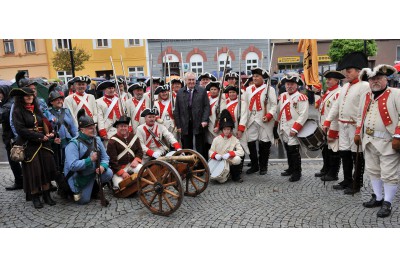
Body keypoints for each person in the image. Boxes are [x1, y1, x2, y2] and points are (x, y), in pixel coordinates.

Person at [355, 64, 400, 218]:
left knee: (388, 174)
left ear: (385, 78)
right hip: (368, 140)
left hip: (388, 142)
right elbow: (360, 116)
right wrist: (357, 133)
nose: (375, 81)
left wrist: (398, 136)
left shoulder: (395, 93)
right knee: (373, 171)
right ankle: (378, 198)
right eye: (372, 79)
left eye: (379, 78)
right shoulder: (366, 95)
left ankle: (387, 203)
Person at [323, 52, 370, 194]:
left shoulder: (364, 86)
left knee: (357, 155)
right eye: (346, 71)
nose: (346, 74)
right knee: (344, 153)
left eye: (349, 72)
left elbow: (364, 109)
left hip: (354, 125)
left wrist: (359, 128)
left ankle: (357, 183)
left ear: (358, 71)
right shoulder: (345, 86)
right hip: (342, 125)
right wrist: (328, 120)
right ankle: (347, 179)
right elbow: (336, 105)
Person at [11, 87, 58, 208]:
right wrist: (39, 136)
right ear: (21, 97)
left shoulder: (37, 109)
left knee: (46, 169)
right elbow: (20, 130)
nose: (29, 97)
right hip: (29, 145)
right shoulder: (17, 111)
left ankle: (47, 195)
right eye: (26, 95)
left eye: (31, 95)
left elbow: (45, 122)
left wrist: (51, 132)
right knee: (34, 172)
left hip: (43, 144)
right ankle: (35, 196)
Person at [64, 109, 113, 205]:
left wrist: (103, 166)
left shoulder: (97, 140)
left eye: (94, 127)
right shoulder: (73, 144)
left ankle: (94, 189)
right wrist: (90, 160)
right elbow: (72, 166)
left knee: (108, 173)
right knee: (83, 201)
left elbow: (105, 157)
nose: (94, 130)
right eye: (90, 128)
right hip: (79, 177)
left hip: (92, 173)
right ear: (82, 130)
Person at [45, 84, 78, 197]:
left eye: (60, 99)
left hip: (69, 142)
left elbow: (73, 126)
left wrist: (77, 138)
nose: (59, 101)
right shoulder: (47, 112)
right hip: (56, 144)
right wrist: (52, 139)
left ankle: (71, 186)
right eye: (56, 100)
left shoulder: (67, 111)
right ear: (51, 102)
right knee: (59, 166)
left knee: (69, 164)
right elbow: (46, 128)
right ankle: (62, 188)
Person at [245, 67, 277, 175]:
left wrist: (269, 115)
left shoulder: (269, 89)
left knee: (264, 143)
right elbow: (245, 104)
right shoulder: (248, 89)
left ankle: (263, 166)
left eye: (257, 76)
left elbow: (274, 105)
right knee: (250, 141)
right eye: (253, 76)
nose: (254, 78)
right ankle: (254, 165)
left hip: (264, 119)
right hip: (251, 118)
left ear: (262, 77)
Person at [277, 73, 309, 182]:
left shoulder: (301, 97)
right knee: (288, 150)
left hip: (293, 129)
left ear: (296, 85)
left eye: (291, 84)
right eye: (287, 84)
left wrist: (295, 128)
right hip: (283, 127)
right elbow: (278, 111)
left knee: (294, 151)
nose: (289, 86)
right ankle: (290, 169)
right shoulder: (282, 96)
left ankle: (297, 172)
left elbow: (303, 115)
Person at [173, 71, 210, 160]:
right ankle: (188, 165)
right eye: (189, 80)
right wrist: (178, 125)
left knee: (200, 145)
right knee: (186, 145)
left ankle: (201, 165)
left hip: (199, 122)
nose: (191, 82)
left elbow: (206, 106)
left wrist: (204, 120)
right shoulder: (180, 92)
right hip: (185, 123)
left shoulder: (202, 90)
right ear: (185, 81)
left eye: (193, 80)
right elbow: (177, 110)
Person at [315, 71, 344, 182]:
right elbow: (321, 108)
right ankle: (325, 169)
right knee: (325, 150)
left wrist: (333, 131)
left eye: (330, 79)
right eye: (327, 79)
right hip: (325, 126)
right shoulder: (329, 92)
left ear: (337, 81)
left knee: (334, 151)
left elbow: (336, 114)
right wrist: (317, 94)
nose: (327, 81)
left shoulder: (338, 93)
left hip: (333, 127)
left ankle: (333, 173)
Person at [106, 116, 143, 190]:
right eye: (121, 126)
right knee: (119, 186)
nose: (123, 128)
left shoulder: (134, 137)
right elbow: (112, 161)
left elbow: (140, 151)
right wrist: (122, 173)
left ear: (128, 127)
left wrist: (136, 160)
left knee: (142, 170)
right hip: (119, 168)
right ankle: (113, 181)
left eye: (125, 126)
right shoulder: (112, 141)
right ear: (117, 127)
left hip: (132, 165)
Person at [209, 109, 244, 183]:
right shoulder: (216, 139)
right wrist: (215, 155)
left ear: (231, 129)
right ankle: (227, 175)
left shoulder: (235, 139)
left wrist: (230, 154)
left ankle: (236, 176)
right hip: (219, 160)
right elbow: (210, 151)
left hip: (229, 160)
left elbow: (241, 152)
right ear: (222, 130)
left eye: (228, 129)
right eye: (224, 129)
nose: (226, 131)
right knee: (222, 181)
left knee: (237, 159)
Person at [0, 85, 23, 190]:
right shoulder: (9, 103)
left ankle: (20, 181)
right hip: (11, 136)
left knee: (13, 160)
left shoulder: (7, 106)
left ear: (5, 93)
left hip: (10, 137)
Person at [223, 85, 249, 174]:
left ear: (237, 93)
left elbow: (244, 117)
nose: (232, 94)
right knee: (230, 149)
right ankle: (231, 168)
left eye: (233, 92)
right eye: (230, 92)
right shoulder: (225, 103)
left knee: (240, 148)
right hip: (228, 130)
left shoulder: (242, 103)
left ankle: (239, 169)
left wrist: (240, 129)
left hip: (238, 129)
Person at [205, 81, 224, 157]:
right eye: (211, 89)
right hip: (208, 125)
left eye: (215, 89)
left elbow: (222, 115)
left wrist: (218, 126)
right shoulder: (207, 99)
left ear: (218, 91)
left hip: (216, 126)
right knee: (210, 145)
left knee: (218, 145)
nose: (213, 91)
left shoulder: (221, 101)